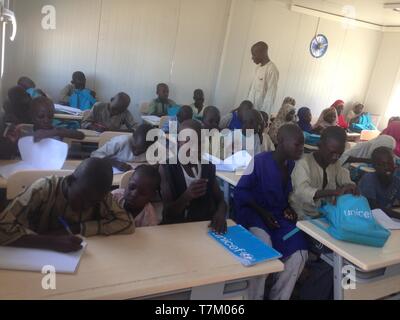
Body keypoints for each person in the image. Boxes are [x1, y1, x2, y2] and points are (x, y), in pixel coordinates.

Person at [234, 124, 308, 300]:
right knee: (263, 248)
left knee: (299, 253)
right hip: (254, 214)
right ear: (281, 142)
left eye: (302, 145)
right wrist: (262, 212)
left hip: (277, 217)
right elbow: (241, 191)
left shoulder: (291, 165)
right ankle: (254, 297)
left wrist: (288, 209)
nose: (301, 149)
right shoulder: (260, 161)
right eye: (297, 144)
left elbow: (284, 195)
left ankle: (279, 296)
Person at [0, 158, 134, 252]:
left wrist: (79, 228)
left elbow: (127, 223)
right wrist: (51, 242)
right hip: (32, 258)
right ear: (70, 181)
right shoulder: (44, 189)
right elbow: (3, 227)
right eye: (82, 198)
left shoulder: (101, 197)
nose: (86, 206)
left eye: (93, 202)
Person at [159, 120, 227, 233]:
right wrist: (187, 196)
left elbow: (220, 200)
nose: (194, 148)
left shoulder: (207, 167)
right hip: (177, 229)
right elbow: (168, 213)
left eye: (199, 142)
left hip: (203, 226)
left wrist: (220, 213)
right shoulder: (167, 168)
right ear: (178, 142)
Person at [290, 126, 358, 219]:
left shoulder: (335, 164)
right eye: (332, 152)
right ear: (319, 145)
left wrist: (350, 185)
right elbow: (301, 192)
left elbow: (343, 176)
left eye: (340, 153)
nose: (336, 157)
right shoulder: (304, 163)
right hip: (302, 214)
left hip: (324, 214)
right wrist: (334, 192)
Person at [358, 147, 400, 219]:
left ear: (394, 165)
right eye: (382, 165)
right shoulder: (369, 179)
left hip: (384, 219)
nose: (387, 167)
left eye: (389, 163)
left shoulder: (396, 181)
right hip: (363, 217)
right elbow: (373, 207)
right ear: (374, 166)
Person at [247, 41, 279, 114]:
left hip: (259, 113)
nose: (252, 58)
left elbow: (271, 95)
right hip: (250, 109)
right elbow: (252, 90)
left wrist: (263, 114)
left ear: (261, 53)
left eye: (254, 54)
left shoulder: (272, 69)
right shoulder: (258, 68)